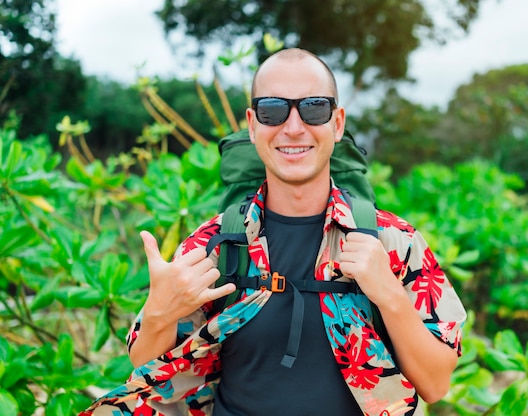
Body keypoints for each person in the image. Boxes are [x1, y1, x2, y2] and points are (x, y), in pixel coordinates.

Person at [79, 48, 466, 416]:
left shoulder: (392, 241)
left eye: (314, 108)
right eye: (273, 110)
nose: (293, 128)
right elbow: (151, 375)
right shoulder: (216, 244)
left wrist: (390, 298)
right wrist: (159, 315)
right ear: (252, 125)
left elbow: (434, 385)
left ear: (337, 122)